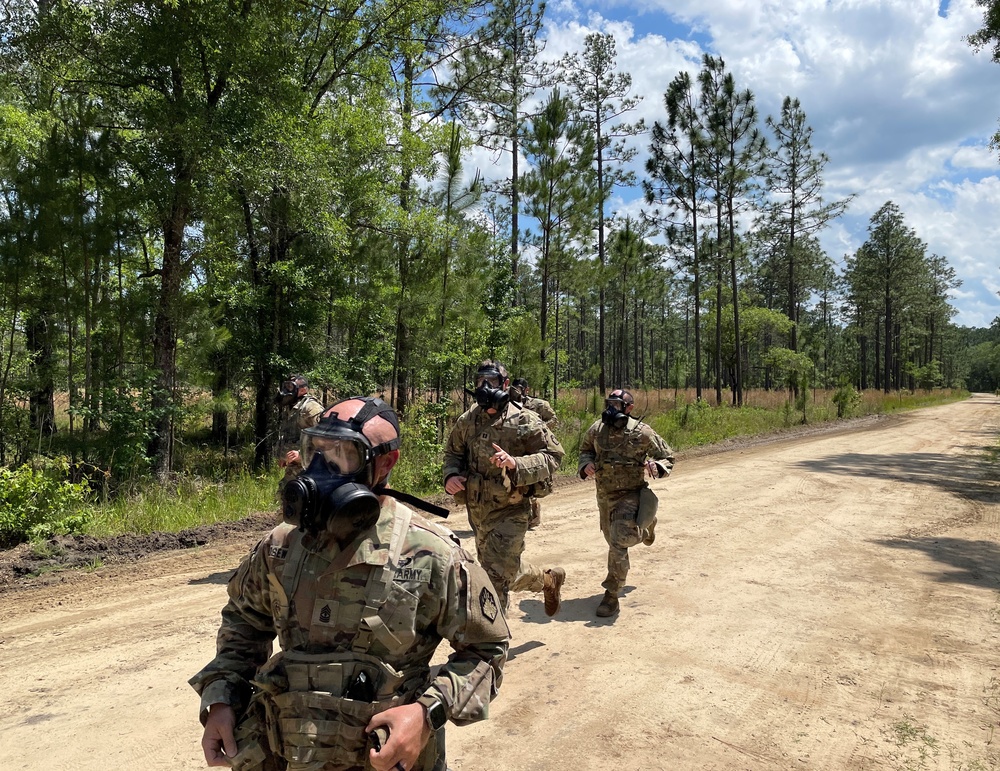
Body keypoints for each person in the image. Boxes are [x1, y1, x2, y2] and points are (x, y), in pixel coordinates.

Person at [191, 397, 510, 771]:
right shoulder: (281, 546)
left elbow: (487, 650)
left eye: (342, 454)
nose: (319, 468)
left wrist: (427, 714)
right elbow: (243, 624)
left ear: (385, 464)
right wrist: (222, 701)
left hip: (385, 759)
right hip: (287, 755)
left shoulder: (432, 554)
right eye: (316, 450)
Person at [443, 361, 566, 617]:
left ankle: (492, 645)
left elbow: (554, 456)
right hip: (477, 510)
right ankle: (547, 581)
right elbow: (453, 453)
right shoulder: (468, 420)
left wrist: (516, 463)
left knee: (495, 577)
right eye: (480, 381)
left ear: (506, 385)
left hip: (512, 509)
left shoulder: (525, 419)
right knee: (501, 570)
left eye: (493, 381)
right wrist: (451, 475)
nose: (485, 387)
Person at [578, 389, 675, 618]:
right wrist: (586, 464)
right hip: (605, 495)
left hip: (630, 495)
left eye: (617, 404)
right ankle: (647, 523)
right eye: (609, 403)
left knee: (619, 542)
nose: (611, 409)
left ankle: (611, 595)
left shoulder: (642, 433)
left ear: (629, 408)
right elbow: (585, 450)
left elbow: (667, 456)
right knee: (611, 539)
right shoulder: (597, 429)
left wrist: (656, 466)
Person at [509, 378, 556, 530]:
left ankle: (532, 514)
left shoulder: (539, 405)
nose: (518, 391)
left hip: (533, 447)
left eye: (521, 388)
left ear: (527, 390)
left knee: (532, 483)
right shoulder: (509, 403)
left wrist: (540, 427)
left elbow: (554, 419)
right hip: (515, 447)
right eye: (515, 388)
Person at [274, 375, 325, 488]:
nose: (286, 391)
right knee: (287, 496)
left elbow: (324, 437)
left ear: (302, 390)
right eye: (286, 386)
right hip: (295, 467)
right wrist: (283, 456)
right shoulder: (293, 408)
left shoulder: (311, 408)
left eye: (290, 387)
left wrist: (302, 455)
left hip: (309, 467)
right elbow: (290, 435)